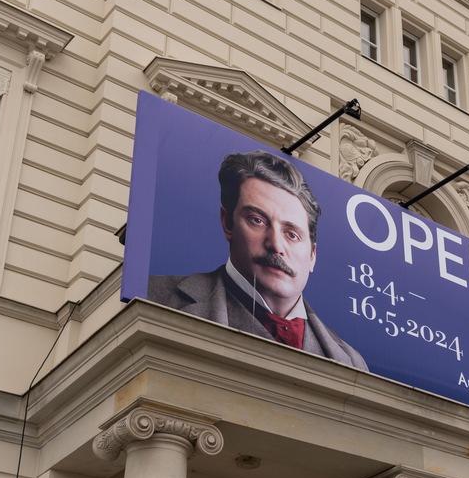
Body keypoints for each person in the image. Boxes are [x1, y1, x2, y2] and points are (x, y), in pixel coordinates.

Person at [148, 151, 367, 370]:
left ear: (313, 256)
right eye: (257, 220)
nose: (276, 245)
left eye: (292, 234)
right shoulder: (154, 295)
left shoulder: (353, 360)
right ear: (227, 222)